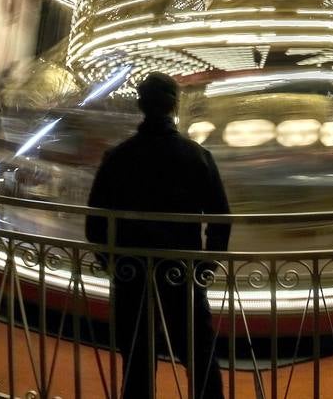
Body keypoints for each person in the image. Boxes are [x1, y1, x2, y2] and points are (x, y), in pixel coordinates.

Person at [85, 73, 230, 399]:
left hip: (133, 272)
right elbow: (221, 218)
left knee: (136, 358)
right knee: (200, 355)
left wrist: (114, 263)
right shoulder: (198, 157)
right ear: (175, 105)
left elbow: (95, 222)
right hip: (181, 271)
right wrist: (205, 267)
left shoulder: (118, 158)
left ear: (140, 104)